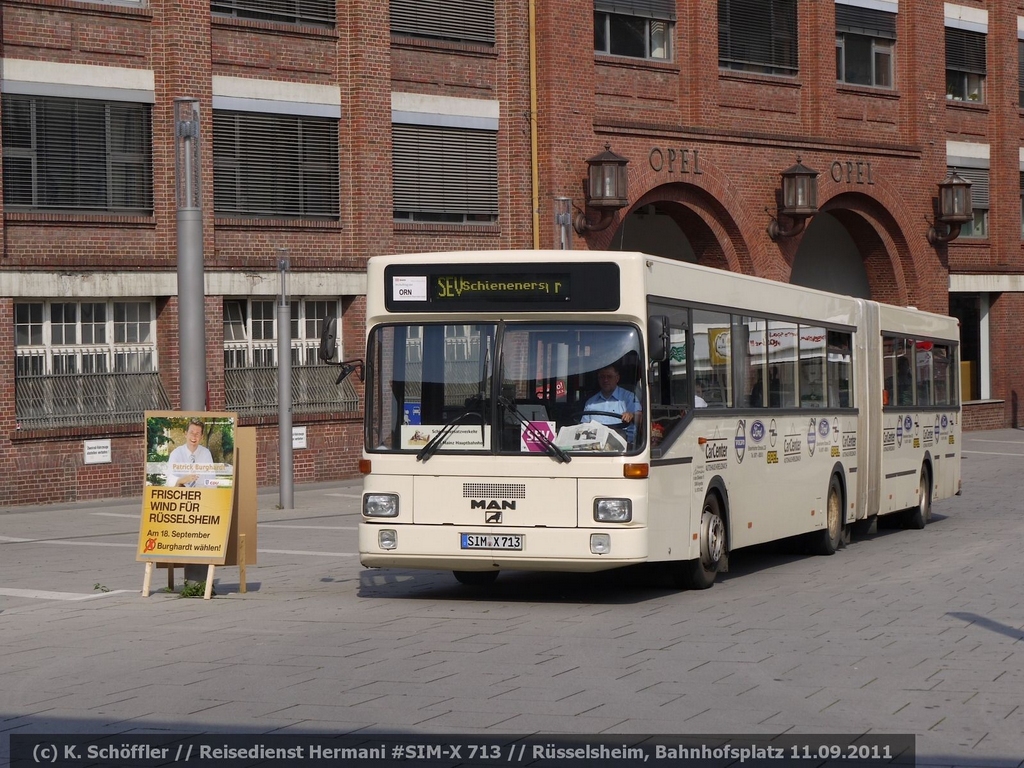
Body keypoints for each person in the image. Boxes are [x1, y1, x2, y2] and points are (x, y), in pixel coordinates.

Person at [583, 364, 642, 442]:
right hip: (595, 447)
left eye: (609, 376)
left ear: (617, 378)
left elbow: (641, 418)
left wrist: (631, 415)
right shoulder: (590, 403)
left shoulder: (629, 397)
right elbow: (583, 427)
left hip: (625, 447)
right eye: (602, 377)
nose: (605, 380)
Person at [167, 418, 215, 487]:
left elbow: (211, 480)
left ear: (201, 437)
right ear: (186, 434)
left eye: (197, 434)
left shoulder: (206, 454)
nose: (194, 436)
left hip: (202, 495)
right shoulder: (176, 453)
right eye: (191, 432)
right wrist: (183, 480)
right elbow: (169, 481)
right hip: (181, 495)